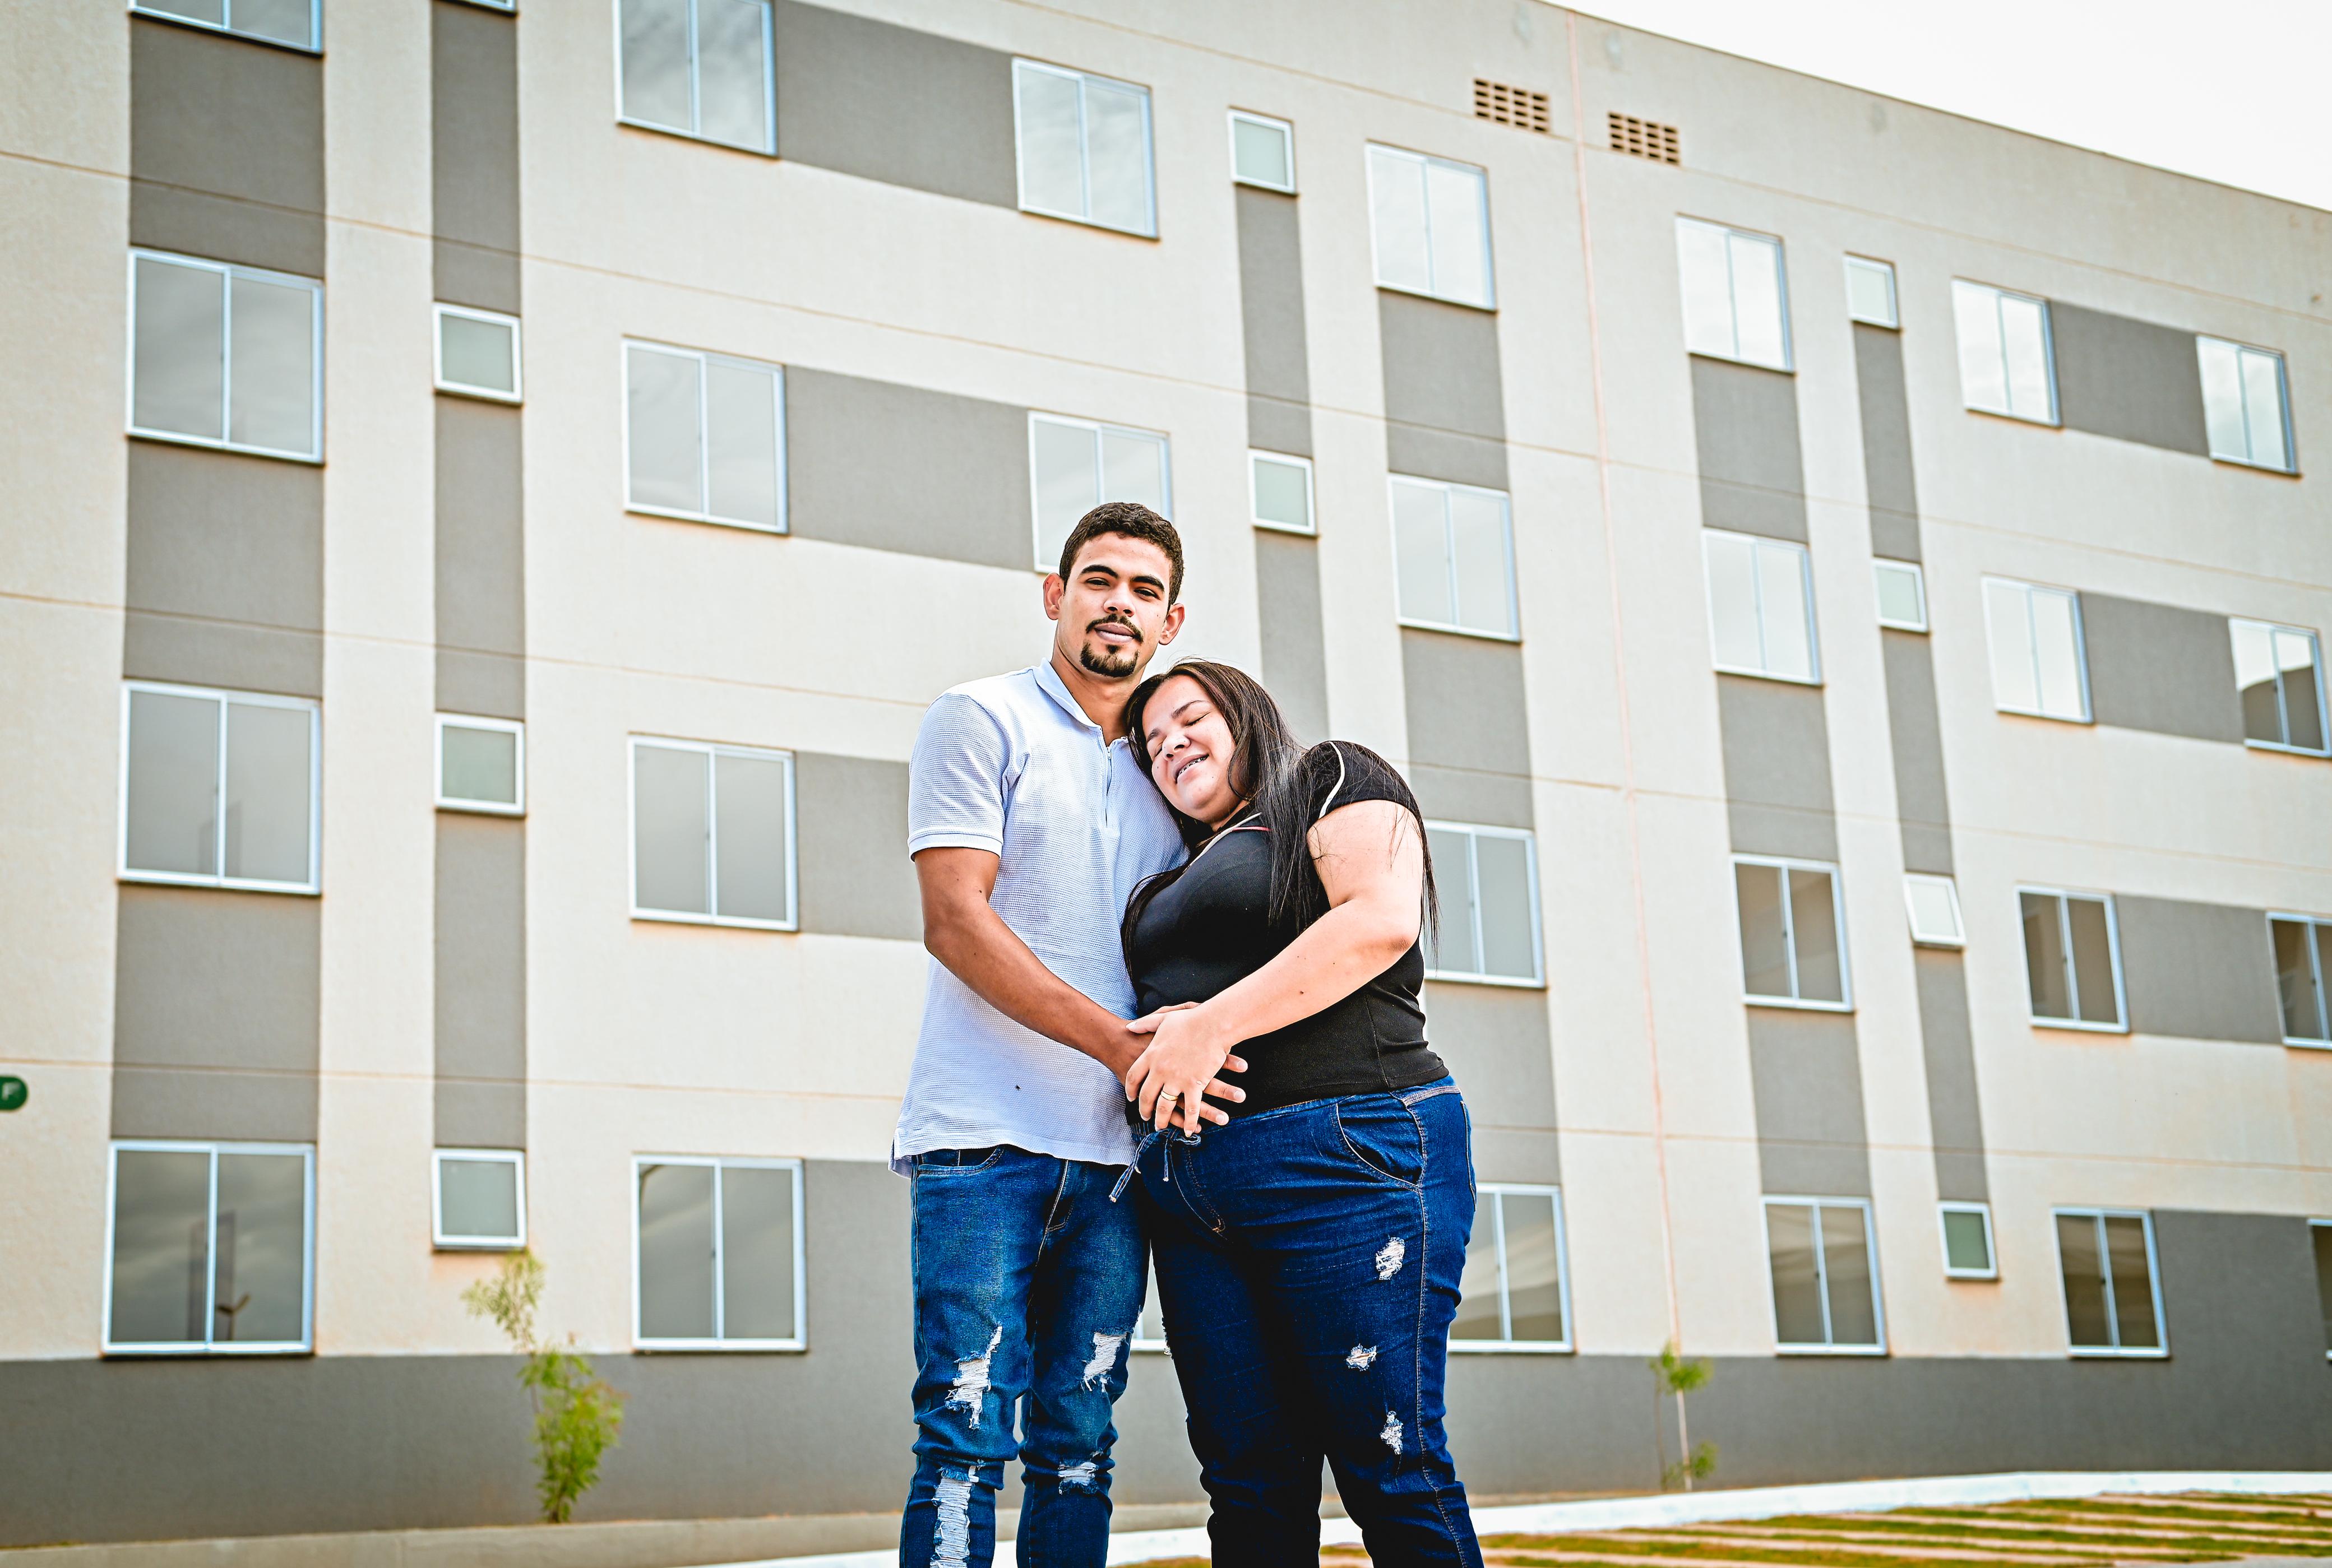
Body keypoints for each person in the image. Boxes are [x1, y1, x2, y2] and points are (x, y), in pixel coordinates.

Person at [892, 503, 1248, 1568]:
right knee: (962, 1436)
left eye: (1145, 590)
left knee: (1080, 1448)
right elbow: (956, 921)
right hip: (980, 1144)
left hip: (1118, 1163)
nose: (1119, 605)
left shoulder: (1170, 770)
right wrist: (1123, 1048)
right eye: (1099, 580)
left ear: (1171, 621)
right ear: (1056, 595)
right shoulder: (981, 717)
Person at [1113, 659, 1485, 1566]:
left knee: (1388, 1463)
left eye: (1191, 718)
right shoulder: (1166, 876)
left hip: (1342, 1155)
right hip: (1193, 1195)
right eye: (1153, 744)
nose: (1171, 745)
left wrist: (1211, 1025)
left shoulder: (1329, 777)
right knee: (1248, 1486)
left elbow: (1380, 920)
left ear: (1246, 716)